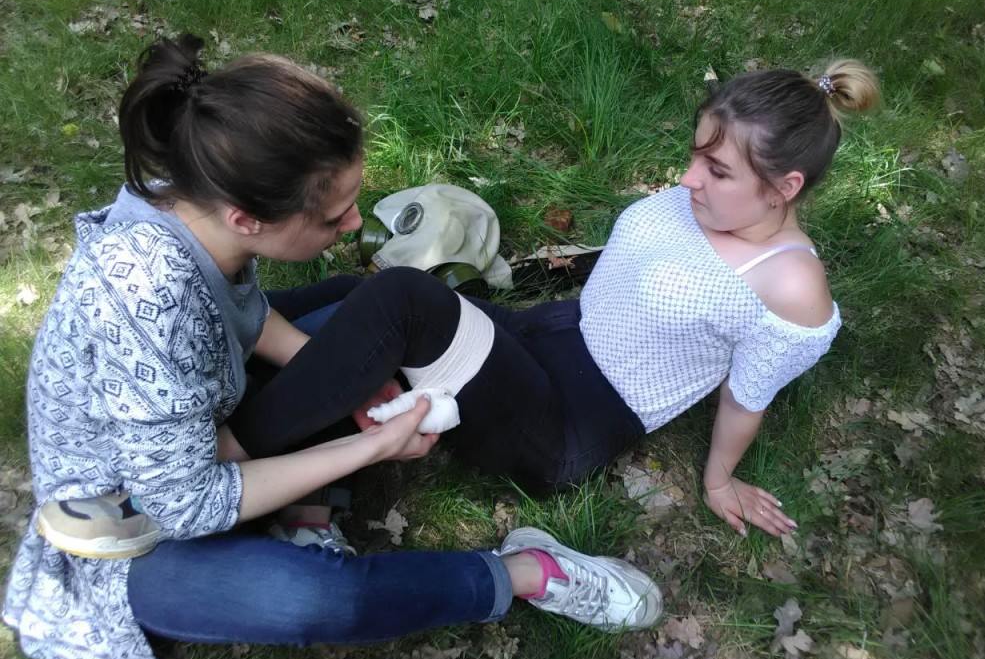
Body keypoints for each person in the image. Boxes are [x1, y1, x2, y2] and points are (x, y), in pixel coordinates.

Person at [2, 34, 663, 659]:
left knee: (358, 307)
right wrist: (369, 447)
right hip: (132, 531)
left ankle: (305, 510)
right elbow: (186, 505)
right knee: (317, 600)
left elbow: (244, 313)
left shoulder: (195, 195)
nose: (353, 226)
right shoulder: (149, 298)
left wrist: (349, 381)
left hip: (202, 426)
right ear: (246, 218)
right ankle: (526, 572)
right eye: (332, 216)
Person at [212, 58, 880, 539]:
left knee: (402, 302)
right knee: (351, 296)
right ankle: (216, 358)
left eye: (717, 170)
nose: (688, 179)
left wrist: (719, 479)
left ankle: (226, 456)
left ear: (785, 188)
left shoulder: (790, 286)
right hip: (541, 336)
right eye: (696, 156)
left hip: (564, 422)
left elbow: (746, 396)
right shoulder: (709, 204)